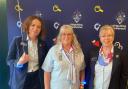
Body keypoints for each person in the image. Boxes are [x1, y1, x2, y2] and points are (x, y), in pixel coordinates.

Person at [6, 16, 48, 89]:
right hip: (20, 80)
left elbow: (47, 61)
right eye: (33, 25)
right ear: (27, 26)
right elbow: (9, 60)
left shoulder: (43, 44)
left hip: (37, 79)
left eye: (38, 27)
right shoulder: (17, 40)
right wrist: (19, 62)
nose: (35, 29)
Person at [42, 25, 85, 89]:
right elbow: (47, 72)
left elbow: (82, 70)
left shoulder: (79, 51)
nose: (66, 37)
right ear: (60, 36)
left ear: (73, 36)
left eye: (69, 34)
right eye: (63, 34)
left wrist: (82, 85)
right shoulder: (53, 50)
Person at [88, 25, 128, 89]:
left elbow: (124, 77)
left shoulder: (121, 54)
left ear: (113, 37)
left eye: (109, 35)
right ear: (100, 38)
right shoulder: (93, 53)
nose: (106, 38)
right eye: (103, 36)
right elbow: (89, 73)